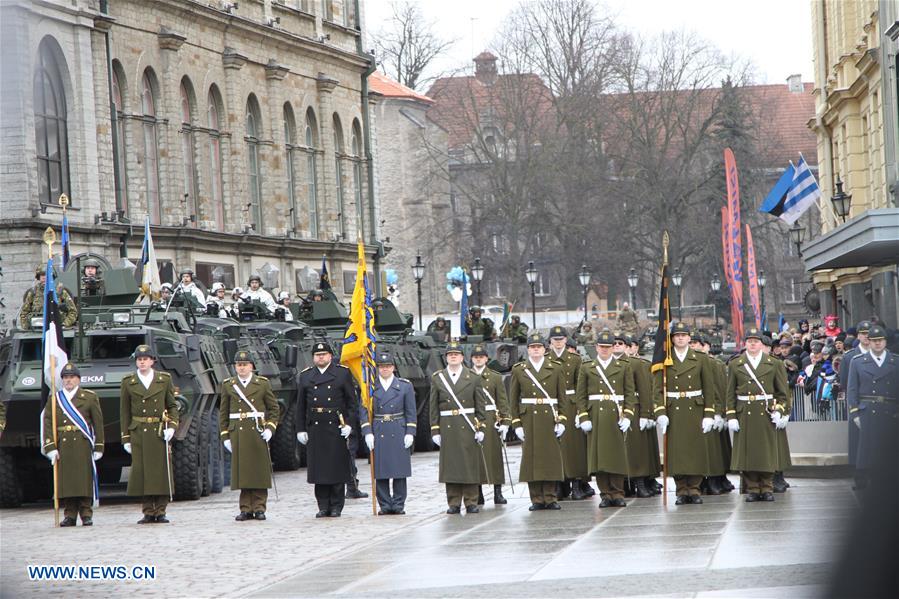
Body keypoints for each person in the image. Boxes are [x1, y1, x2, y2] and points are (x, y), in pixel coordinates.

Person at [652, 321, 717, 505]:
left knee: (695, 451)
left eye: (683, 335)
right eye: (677, 335)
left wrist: (709, 414)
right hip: (674, 410)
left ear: (689, 338)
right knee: (678, 453)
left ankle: (694, 489)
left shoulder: (700, 358)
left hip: (694, 408)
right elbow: (657, 389)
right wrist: (660, 412)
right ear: (672, 339)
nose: (680, 338)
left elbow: (709, 388)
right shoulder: (664, 359)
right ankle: (681, 489)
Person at [725, 328, 790, 502]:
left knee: (766, 453)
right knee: (749, 453)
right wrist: (731, 415)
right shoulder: (736, 364)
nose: (753, 344)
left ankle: (767, 487)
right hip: (744, 412)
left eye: (756, 341)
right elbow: (730, 392)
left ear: (761, 344)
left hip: (766, 413)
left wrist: (781, 411)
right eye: (749, 341)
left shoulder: (774, 363)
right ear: (745, 344)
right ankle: (753, 488)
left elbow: (783, 393)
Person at [575, 331, 636, 507]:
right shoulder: (587, 367)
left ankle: (617, 493)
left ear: (612, 348)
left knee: (616, 456)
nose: (604, 350)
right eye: (602, 346)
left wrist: (629, 416)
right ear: (596, 347)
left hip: (615, 416)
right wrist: (583, 416)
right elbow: (581, 396)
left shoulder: (623, 366)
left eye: (608, 347)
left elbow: (629, 394)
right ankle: (605, 494)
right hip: (596, 416)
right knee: (599, 458)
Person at [120, 345, 179, 523]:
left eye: (145, 359)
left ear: (152, 361)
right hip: (139, 431)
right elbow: (125, 412)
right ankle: (147, 511)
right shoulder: (128, 381)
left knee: (160, 472)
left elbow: (172, 406)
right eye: (139, 359)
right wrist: (126, 437)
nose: (142, 362)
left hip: (159, 430)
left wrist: (172, 426)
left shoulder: (164, 379)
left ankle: (161, 510)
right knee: (142, 472)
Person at [509, 333, 568, 511]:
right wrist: (517, 423)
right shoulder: (520, 369)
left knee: (550, 459)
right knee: (531, 459)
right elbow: (513, 399)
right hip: (529, 418)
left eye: (539, 347)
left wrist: (562, 419)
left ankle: (550, 497)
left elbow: (562, 397)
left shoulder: (555, 368)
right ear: (528, 350)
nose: (535, 350)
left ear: (545, 349)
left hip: (549, 418)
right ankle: (536, 499)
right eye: (532, 347)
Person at [296, 341, 355, 517]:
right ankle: (323, 505)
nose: (320, 357)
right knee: (319, 469)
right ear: (313, 357)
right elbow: (300, 405)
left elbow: (352, 403)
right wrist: (300, 429)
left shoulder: (342, 374)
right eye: (317, 355)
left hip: (335, 426)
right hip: (316, 427)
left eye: (323, 354)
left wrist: (350, 425)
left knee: (336, 468)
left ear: (330, 356)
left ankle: (336, 505)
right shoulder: (306, 376)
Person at [219, 350, 279, 521]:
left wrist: (270, 428)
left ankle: (260, 507)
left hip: (257, 431)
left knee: (258, 471)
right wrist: (225, 436)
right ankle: (245, 508)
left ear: (251, 366)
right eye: (239, 365)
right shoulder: (228, 385)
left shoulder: (262, 384)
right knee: (243, 472)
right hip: (238, 431)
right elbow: (223, 413)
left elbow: (274, 409)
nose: (242, 368)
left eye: (245, 365)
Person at [42, 363, 104, 526]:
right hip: (64, 444)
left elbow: (98, 423)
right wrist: (51, 447)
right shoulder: (55, 399)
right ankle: (69, 515)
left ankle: (86, 514)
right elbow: (48, 423)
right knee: (67, 482)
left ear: (78, 379)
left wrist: (99, 446)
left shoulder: (89, 397)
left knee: (83, 480)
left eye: (72, 377)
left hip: (82, 442)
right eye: (65, 378)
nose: (68, 381)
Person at [429, 341, 488, 514]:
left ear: (462, 357)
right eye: (450, 354)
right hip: (448, 426)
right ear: (446, 358)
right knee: (451, 465)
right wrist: (435, 429)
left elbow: (480, 405)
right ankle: (453, 502)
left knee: (469, 464)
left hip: (468, 425)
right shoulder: (438, 378)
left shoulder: (473, 377)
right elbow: (433, 406)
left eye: (456, 354)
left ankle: (471, 501)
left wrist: (481, 427)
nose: (453, 356)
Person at [361, 350, 417, 515]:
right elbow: (363, 411)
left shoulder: (404, 386)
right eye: (381, 367)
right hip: (379, 428)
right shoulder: (370, 387)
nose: (384, 369)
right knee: (381, 470)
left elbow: (411, 411)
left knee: (399, 470)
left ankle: (398, 504)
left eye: (387, 366)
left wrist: (410, 432)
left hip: (398, 427)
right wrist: (367, 431)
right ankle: (385, 504)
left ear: (393, 367)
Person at [846, 325, 897, 491]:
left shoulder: (895, 361)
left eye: (880, 340)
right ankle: (864, 478)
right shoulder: (858, 362)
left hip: (890, 409)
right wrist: (854, 412)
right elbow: (852, 389)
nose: (877, 344)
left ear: (885, 341)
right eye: (874, 340)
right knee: (867, 448)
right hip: (867, 409)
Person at [548, 325, 591, 500]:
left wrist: (581, 411)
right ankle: (559, 484)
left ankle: (576, 484)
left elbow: (581, 387)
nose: (558, 342)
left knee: (574, 448)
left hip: (571, 404)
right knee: (556, 447)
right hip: (554, 405)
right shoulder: (546, 359)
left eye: (561, 339)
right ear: (550, 341)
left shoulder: (574, 359)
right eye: (555, 340)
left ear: (566, 340)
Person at [470, 344, 511, 505]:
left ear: (486, 359)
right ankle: (477, 492)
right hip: (474, 419)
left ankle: (497, 491)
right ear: (472, 359)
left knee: (495, 457)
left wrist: (506, 421)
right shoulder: (467, 375)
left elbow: (502, 400)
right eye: (476, 357)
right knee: (477, 457)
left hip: (491, 418)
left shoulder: (494, 377)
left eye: (481, 357)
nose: (479, 359)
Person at [690, 333, 730, 495]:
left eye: (695, 343)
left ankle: (715, 479)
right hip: (697, 409)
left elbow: (718, 389)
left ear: (704, 345)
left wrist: (719, 411)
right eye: (690, 343)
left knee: (713, 449)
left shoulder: (712, 363)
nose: (692, 346)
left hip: (711, 410)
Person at [625, 335, 662, 496]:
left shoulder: (641, 364)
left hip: (637, 408)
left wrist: (647, 413)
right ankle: (626, 484)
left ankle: (643, 480)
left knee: (639, 448)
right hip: (619, 409)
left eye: (626, 344)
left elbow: (646, 391)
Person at [839, 320, 871, 481]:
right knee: (858, 441)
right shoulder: (850, 357)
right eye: (863, 334)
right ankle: (859, 474)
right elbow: (845, 382)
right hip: (858, 403)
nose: (866, 337)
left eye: (868, 334)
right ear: (858, 336)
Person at [19, 265, 77, 329]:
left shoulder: (60, 291)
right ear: (39, 277)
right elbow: (24, 312)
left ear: (52, 276)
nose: (44, 278)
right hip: (36, 328)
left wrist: (64, 324)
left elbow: (73, 311)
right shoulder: (33, 292)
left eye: (47, 275)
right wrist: (26, 327)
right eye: (42, 275)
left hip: (57, 328)